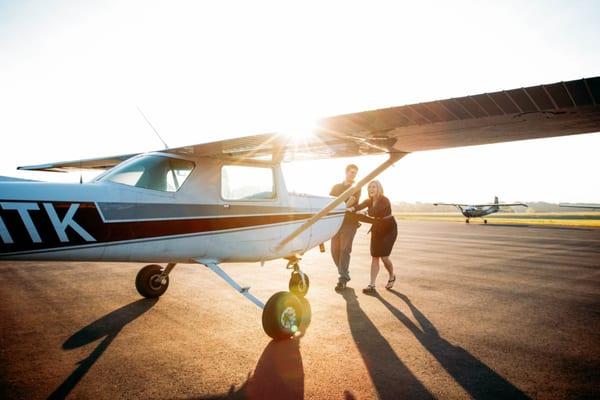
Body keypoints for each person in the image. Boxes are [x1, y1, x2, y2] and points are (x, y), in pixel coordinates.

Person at [349, 180, 398, 293]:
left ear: (379, 189)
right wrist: (351, 209)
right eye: (369, 187)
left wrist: (364, 212)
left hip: (389, 228)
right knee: (375, 256)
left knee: (384, 256)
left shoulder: (384, 200)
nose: (371, 189)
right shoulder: (369, 200)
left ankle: (392, 275)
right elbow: (359, 206)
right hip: (377, 228)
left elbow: (374, 211)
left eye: (374, 187)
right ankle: (372, 285)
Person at [330, 164, 361, 292]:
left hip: (350, 222)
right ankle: (344, 273)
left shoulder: (357, 187)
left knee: (344, 250)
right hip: (335, 222)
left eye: (355, 173)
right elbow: (329, 201)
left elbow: (352, 201)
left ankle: (342, 279)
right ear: (346, 172)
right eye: (351, 172)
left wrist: (338, 206)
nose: (352, 175)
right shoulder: (336, 187)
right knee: (334, 250)